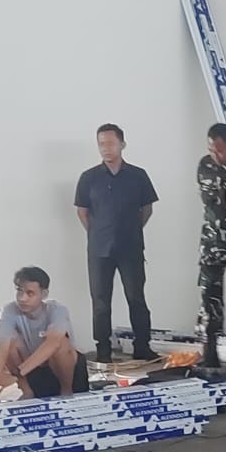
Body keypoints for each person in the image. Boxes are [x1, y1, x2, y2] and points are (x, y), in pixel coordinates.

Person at [74, 124, 159, 364]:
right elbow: (82, 212)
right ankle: (103, 350)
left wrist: (132, 230)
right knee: (100, 302)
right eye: (101, 144)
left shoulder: (138, 175)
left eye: (110, 143)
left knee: (136, 297)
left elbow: (147, 208)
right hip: (99, 249)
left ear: (122, 144)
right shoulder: (89, 178)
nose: (106, 148)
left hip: (131, 247)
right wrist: (98, 233)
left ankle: (142, 346)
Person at [0, 266, 90, 403]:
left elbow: (53, 343)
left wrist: (17, 373)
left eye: (30, 293)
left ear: (44, 294)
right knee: (10, 342)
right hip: (33, 371)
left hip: (65, 372)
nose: (22, 298)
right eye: (19, 291)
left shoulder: (57, 310)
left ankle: (66, 392)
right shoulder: (8, 311)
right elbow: (1, 346)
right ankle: (27, 391)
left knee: (61, 342)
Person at [196, 122, 226, 371]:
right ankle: (209, 355)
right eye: (211, 150)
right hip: (211, 243)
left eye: (219, 150)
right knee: (209, 301)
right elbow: (212, 200)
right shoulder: (205, 165)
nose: (214, 155)